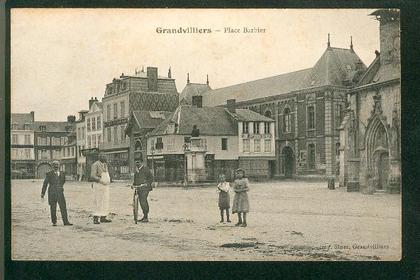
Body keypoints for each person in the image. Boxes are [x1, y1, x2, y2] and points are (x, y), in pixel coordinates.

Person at [41, 161, 73, 226]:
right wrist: (42, 193)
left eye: (57, 165)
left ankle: (66, 221)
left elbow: (63, 181)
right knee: (53, 207)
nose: (56, 166)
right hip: (52, 193)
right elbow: (45, 184)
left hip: (60, 193)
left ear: (59, 166)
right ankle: (54, 221)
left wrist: (59, 187)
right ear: (52, 166)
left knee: (63, 207)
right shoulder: (49, 174)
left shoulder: (62, 173)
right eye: (55, 165)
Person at [90, 152, 112, 224]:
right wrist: (101, 180)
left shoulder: (105, 165)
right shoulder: (95, 164)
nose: (105, 157)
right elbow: (92, 176)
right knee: (97, 201)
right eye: (103, 156)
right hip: (98, 185)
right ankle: (96, 218)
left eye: (105, 156)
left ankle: (103, 217)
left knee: (105, 201)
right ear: (99, 157)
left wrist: (108, 180)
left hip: (105, 186)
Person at [133, 157, 154, 222]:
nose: (137, 163)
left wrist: (146, 184)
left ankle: (146, 217)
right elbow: (136, 180)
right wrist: (133, 185)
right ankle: (141, 216)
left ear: (142, 162)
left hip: (145, 188)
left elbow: (151, 178)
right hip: (139, 188)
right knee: (137, 201)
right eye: (136, 162)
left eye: (138, 162)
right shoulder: (137, 170)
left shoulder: (146, 169)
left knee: (143, 201)